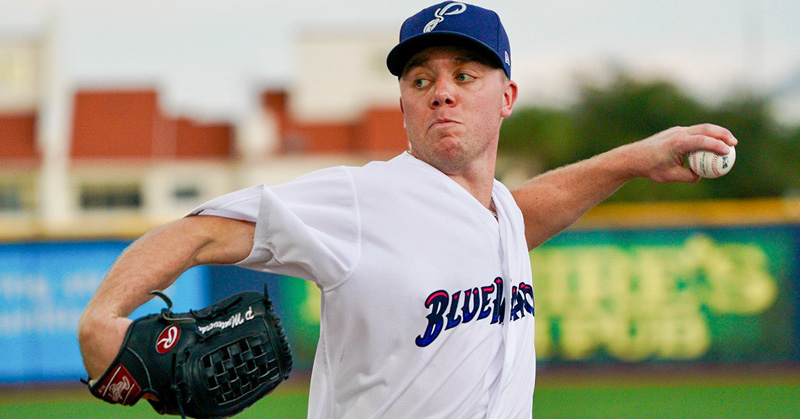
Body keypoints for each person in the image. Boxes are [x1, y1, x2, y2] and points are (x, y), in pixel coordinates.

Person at [78, 2, 738, 418]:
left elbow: (525, 211)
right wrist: (104, 316)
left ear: (506, 96)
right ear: (403, 107)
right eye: (421, 80)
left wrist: (634, 158)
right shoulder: (365, 201)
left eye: (464, 76)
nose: (441, 93)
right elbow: (199, 234)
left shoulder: (499, 215)